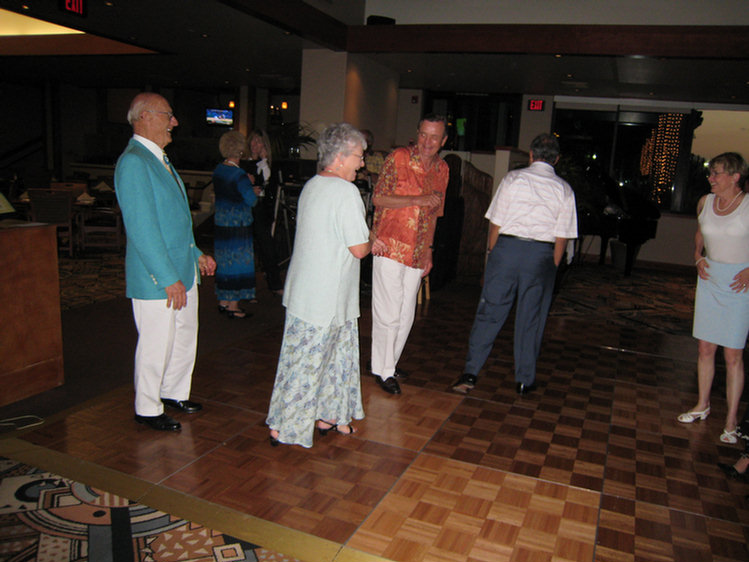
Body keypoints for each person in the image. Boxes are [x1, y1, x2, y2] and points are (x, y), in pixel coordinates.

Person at [266, 123, 385, 447]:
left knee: (332, 360)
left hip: (314, 291)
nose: (361, 163)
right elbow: (359, 248)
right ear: (342, 156)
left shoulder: (313, 185)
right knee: (308, 363)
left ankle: (329, 416)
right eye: (359, 156)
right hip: (324, 296)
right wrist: (375, 235)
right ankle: (284, 426)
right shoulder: (345, 192)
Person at [115, 92, 216, 432]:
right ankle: (147, 407)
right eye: (168, 115)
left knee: (185, 336)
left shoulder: (160, 159)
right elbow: (142, 229)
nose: (175, 122)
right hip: (157, 277)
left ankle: (173, 391)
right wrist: (166, 276)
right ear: (144, 117)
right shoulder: (134, 163)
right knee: (157, 341)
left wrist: (195, 254)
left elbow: (175, 223)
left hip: (182, 269)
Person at [451, 133, 578, 396]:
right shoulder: (564, 189)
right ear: (557, 159)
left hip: (507, 250)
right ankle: (524, 380)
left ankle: (470, 373)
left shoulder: (512, 179)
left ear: (531, 155)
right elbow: (561, 237)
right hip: (541, 255)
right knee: (531, 318)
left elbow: (495, 223)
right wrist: (551, 266)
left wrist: (494, 254)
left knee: (490, 313)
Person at [370, 114, 450, 394]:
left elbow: (435, 214)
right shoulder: (399, 158)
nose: (428, 142)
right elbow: (378, 198)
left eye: (434, 137)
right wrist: (416, 200)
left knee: (406, 314)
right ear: (417, 133)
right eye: (424, 134)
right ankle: (382, 370)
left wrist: (428, 250)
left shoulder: (442, 169)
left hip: (417, 250)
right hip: (390, 244)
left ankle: (389, 363)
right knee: (388, 313)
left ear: (444, 141)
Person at [677, 152, 749, 444]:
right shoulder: (705, 202)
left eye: (717, 173)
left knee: (732, 354)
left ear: (735, 176)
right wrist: (697, 257)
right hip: (709, 280)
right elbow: (700, 233)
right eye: (710, 173)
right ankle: (702, 404)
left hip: (739, 285)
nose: (711, 178)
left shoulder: (747, 206)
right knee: (705, 348)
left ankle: (731, 420)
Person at [213, 131, 258, 318]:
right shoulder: (239, 175)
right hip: (237, 224)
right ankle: (233, 306)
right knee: (238, 263)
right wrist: (252, 185)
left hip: (221, 221)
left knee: (224, 262)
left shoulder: (219, 170)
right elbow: (251, 200)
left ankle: (223, 301)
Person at [247, 129, 284, 295]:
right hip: (248, 207)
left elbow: (270, 184)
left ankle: (274, 283)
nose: (255, 145)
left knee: (267, 246)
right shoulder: (243, 162)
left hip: (263, 208)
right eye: (253, 141)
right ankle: (248, 288)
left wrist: (263, 160)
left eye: (259, 141)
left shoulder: (268, 164)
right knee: (249, 247)